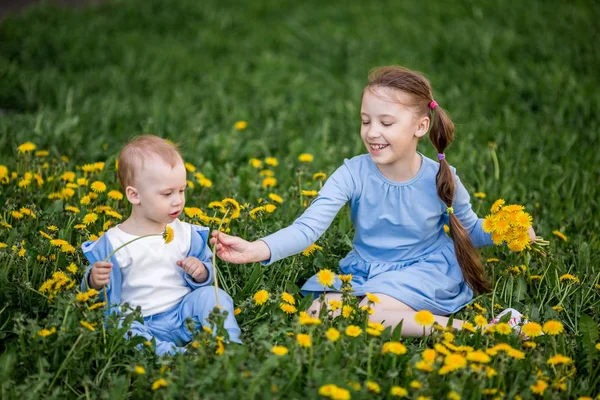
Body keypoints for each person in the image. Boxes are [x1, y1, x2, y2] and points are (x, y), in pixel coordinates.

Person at [210, 66, 535, 335]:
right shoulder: (353, 173)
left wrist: (508, 231)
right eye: (366, 121)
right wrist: (256, 249)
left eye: (386, 123)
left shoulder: (440, 178)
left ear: (420, 127)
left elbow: (472, 230)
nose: (372, 132)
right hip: (370, 271)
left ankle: (483, 332)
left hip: (424, 270)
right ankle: (411, 317)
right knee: (319, 310)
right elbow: (307, 228)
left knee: (369, 309)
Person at [80, 135, 241, 355]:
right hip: (142, 321)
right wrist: (93, 281)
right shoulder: (114, 243)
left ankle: (229, 343)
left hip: (183, 313)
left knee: (213, 297)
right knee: (122, 327)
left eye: (181, 191)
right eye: (167, 194)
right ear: (134, 195)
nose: (178, 201)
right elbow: (95, 296)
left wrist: (201, 272)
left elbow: (208, 274)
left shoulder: (186, 233)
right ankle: (173, 356)